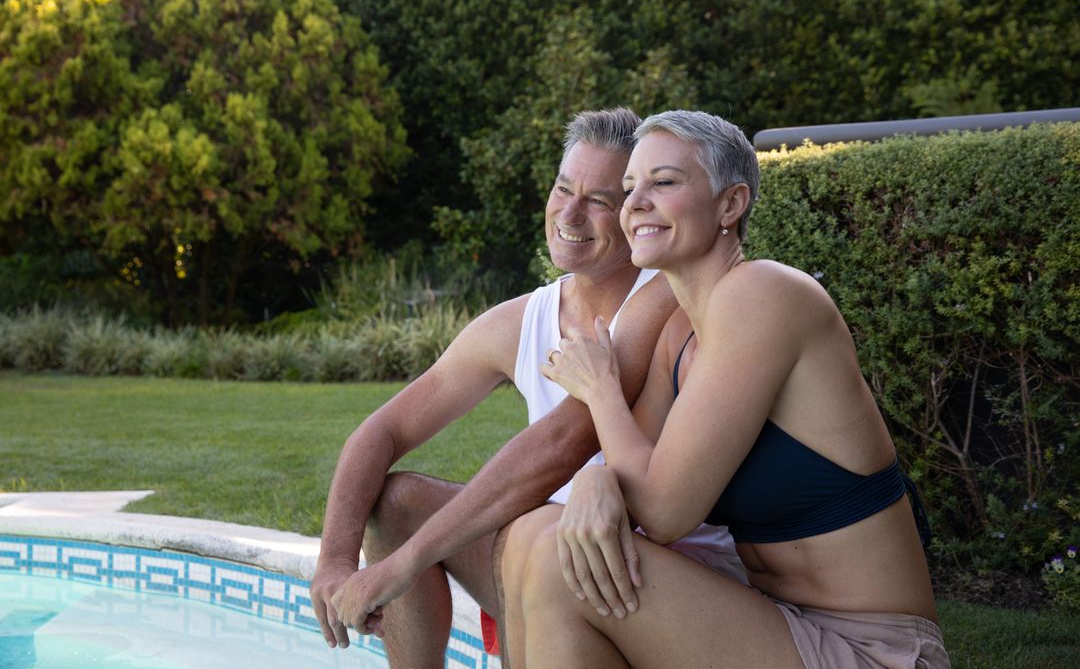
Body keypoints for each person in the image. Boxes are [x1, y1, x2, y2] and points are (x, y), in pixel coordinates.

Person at [501, 110, 949, 668]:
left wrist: (601, 390)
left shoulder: (764, 292)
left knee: (556, 565)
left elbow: (662, 510)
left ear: (731, 204)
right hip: (774, 623)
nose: (634, 203)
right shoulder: (679, 336)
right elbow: (637, 474)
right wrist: (596, 478)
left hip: (872, 649)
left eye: (662, 183)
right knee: (534, 534)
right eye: (629, 187)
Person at [313, 108, 741, 667]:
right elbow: (385, 429)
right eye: (564, 189)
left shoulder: (664, 297)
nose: (570, 212)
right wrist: (335, 561)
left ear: (635, 210)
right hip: (554, 550)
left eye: (600, 201)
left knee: (540, 543)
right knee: (397, 503)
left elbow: (563, 444)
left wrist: (402, 566)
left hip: (664, 575)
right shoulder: (522, 320)